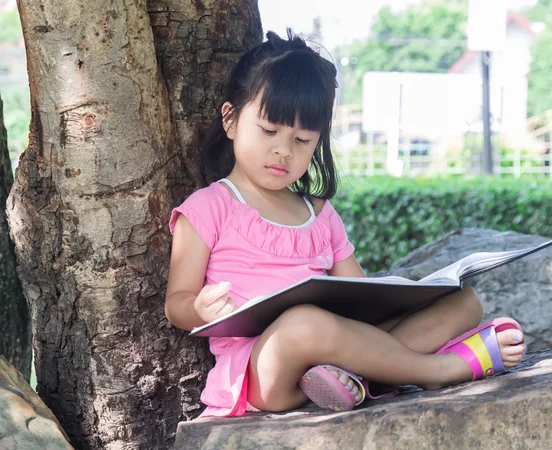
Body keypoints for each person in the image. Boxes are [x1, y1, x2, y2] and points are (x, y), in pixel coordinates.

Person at [164, 30, 527, 418]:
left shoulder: (319, 215)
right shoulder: (208, 208)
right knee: (304, 324)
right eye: (269, 131)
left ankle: (352, 379)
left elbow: (357, 296)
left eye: (302, 140)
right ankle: (438, 370)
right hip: (264, 369)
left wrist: (407, 295)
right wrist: (201, 309)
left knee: (463, 300)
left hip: (335, 349)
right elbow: (176, 304)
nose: (283, 150)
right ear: (231, 120)